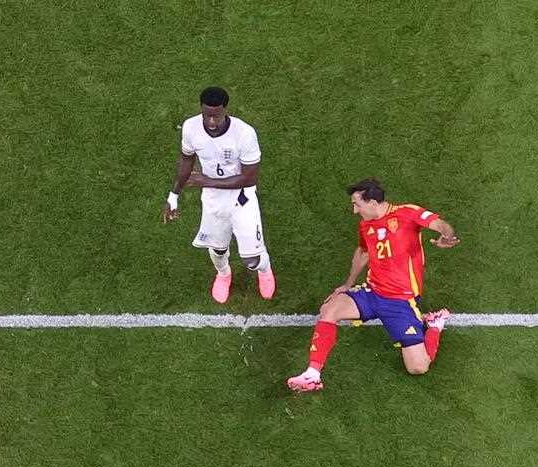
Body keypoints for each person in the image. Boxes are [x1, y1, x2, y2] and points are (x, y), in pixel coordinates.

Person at [287, 179, 459, 392]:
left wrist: (447, 235)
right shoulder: (365, 225)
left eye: (357, 204)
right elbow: (363, 252)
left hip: (400, 301)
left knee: (418, 367)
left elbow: (438, 223)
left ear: (373, 202)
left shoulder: (407, 213)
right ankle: (312, 375)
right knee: (329, 309)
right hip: (372, 293)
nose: (354, 210)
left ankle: (433, 326)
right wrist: (347, 284)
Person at [164, 86, 274, 303]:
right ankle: (224, 275)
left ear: (226, 110)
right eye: (207, 115)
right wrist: (173, 196)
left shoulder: (244, 134)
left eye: (216, 116)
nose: (212, 122)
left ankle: (264, 270)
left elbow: (249, 178)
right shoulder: (191, 127)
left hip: (242, 198)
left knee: (252, 259)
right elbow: (187, 160)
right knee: (218, 248)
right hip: (213, 200)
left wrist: (206, 181)